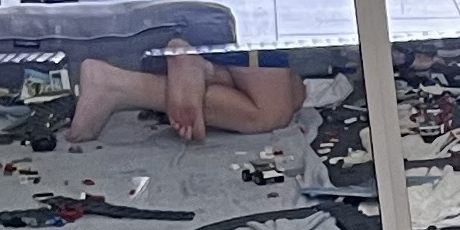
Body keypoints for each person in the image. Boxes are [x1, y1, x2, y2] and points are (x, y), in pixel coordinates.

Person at [65, 33, 304, 146]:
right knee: (268, 113)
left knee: (295, 93)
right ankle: (118, 85)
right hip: (253, 13)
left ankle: (208, 71)